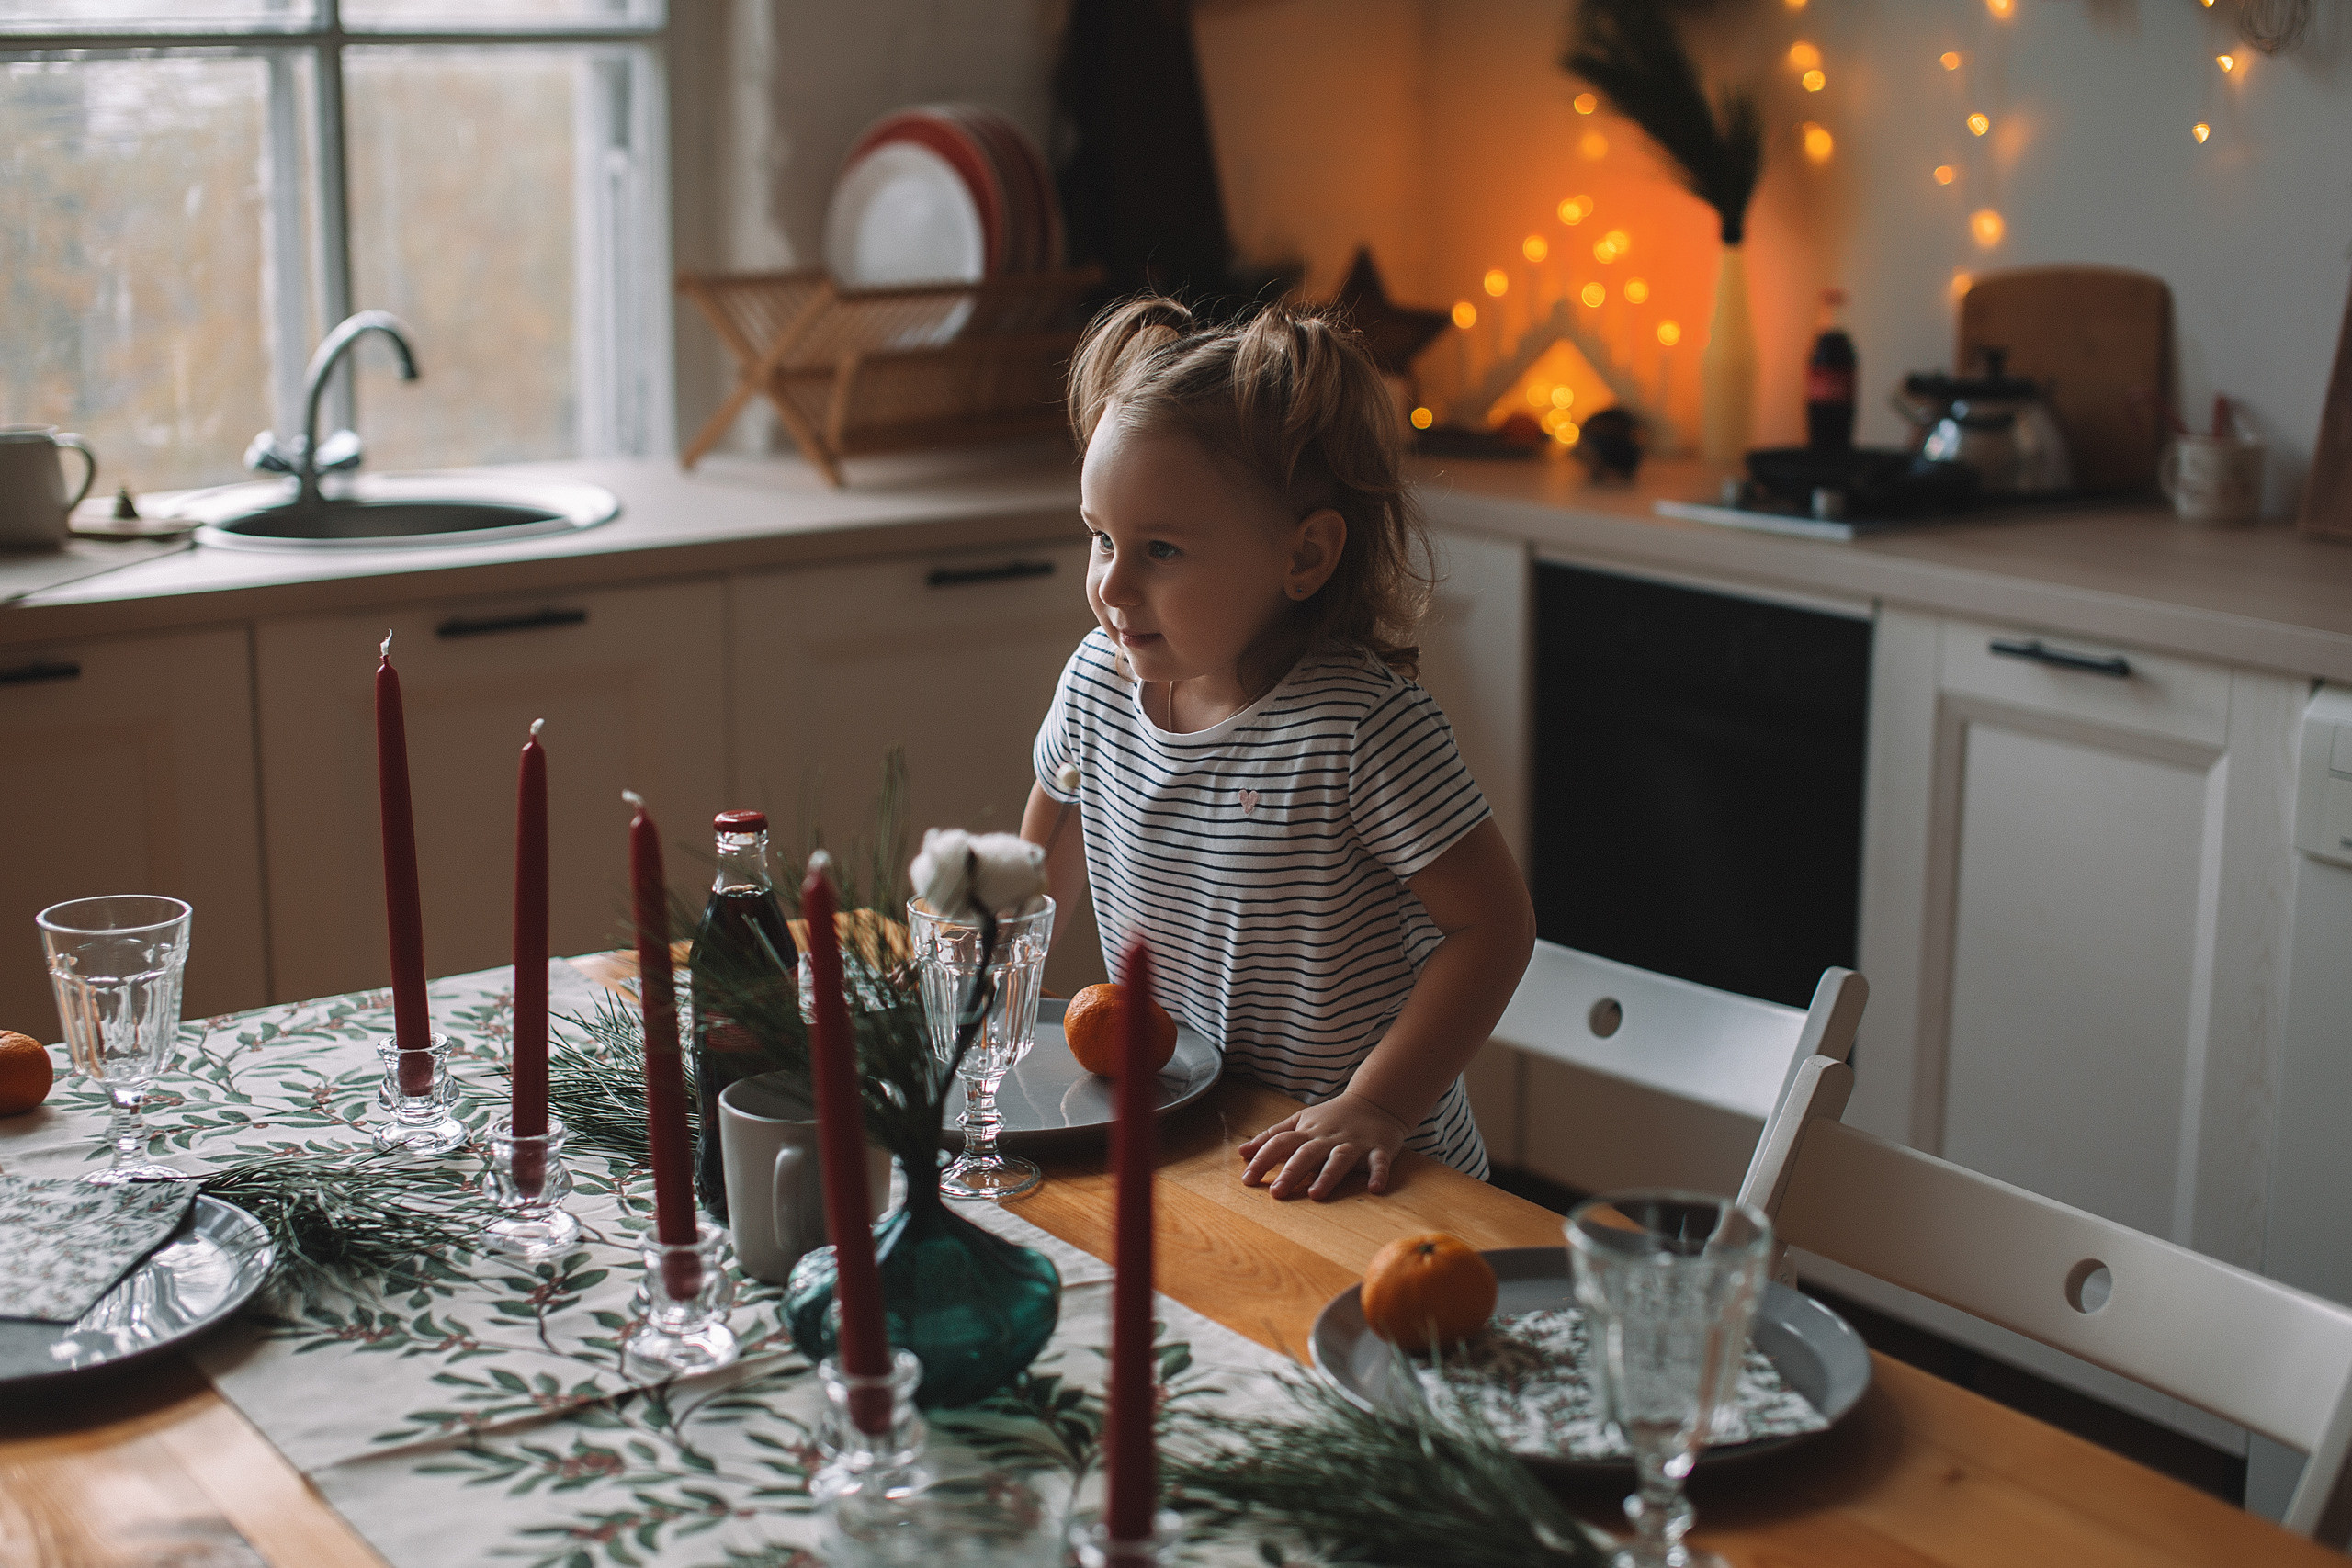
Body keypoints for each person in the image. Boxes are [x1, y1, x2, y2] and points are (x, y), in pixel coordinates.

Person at [1021, 296, 1536, 1201]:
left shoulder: (1360, 729)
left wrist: (1377, 1103)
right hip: (1199, 1141)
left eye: (1162, 549)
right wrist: (977, 1004)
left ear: (1304, 557)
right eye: (1100, 538)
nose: (1112, 585)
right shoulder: (1096, 681)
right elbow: (1045, 857)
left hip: (1370, 1175)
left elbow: (1491, 929)